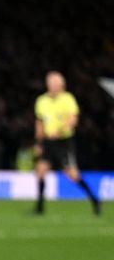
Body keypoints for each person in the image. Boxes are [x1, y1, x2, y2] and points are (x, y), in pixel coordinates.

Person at [33, 71, 100, 215]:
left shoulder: (68, 99)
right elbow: (39, 123)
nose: (53, 85)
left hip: (64, 141)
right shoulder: (41, 101)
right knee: (41, 170)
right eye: (51, 83)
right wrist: (38, 142)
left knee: (72, 174)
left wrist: (60, 131)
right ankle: (39, 206)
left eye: (56, 83)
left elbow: (73, 120)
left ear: (62, 85)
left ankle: (94, 199)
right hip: (48, 141)